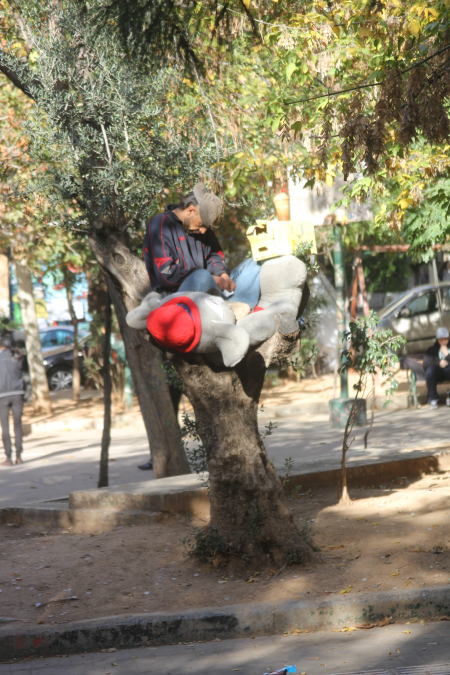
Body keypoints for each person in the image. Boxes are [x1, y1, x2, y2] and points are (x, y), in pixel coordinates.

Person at [142, 182, 262, 315]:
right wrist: (211, 278)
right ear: (190, 210)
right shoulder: (160, 224)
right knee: (202, 276)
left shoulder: (201, 228)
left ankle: (240, 305)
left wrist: (223, 274)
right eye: (201, 225)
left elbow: (214, 256)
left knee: (256, 262)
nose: (204, 231)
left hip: (211, 289)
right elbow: (165, 273)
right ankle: (231, 308)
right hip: (180, 294)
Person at [0, 334, 25, 466]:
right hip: (18, 394)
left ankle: (8, 458)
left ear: (2, 345)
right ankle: (19, 456)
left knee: (5, 427)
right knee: (18, 425)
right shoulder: (18, 356)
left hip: (2, 396)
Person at [423, 326, 450, 409]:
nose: (443, 342)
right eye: (441, 340)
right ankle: (433, 399)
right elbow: (426, 364)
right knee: (430, 371)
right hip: (437, 373)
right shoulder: (432, 350)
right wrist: (439, 363)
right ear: (437, 340)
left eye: (445, 339)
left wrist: (447, 355)